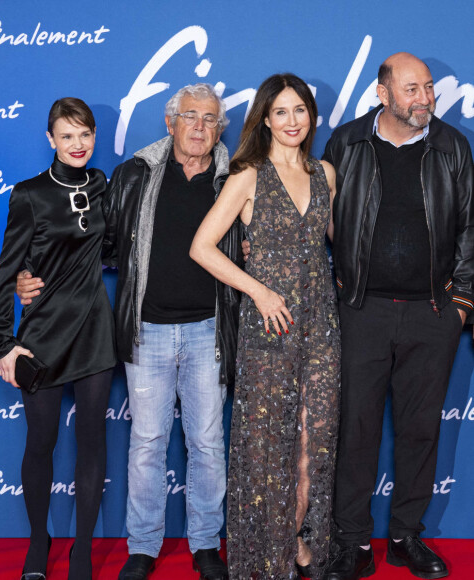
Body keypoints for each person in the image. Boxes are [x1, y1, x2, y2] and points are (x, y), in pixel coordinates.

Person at [17, 83, 243, 580]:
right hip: (148, 330)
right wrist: (25, 274)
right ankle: (142, 546)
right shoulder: (133, 174)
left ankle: (206, 543)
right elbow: (98, 244)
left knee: (206, 441)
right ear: (170, 123)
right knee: (146, 442)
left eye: (210, 119)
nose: (200, 127)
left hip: (209, 329)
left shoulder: (233, 177)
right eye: (190, 116)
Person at [321, 53, 474, 580]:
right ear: (382, 93)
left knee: (420, 430)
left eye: (429, 88)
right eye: (412, 89)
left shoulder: (453, 147)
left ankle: (408, 536)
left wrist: (462, 306)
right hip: (361, 311)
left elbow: (470, 231)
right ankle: (353, 543)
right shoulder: (347, 143)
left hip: (432, 314)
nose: (425, 98)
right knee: (355, 429)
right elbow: (321, 217)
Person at [191, 73, 340, 580]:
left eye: (300, 110)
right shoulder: (249, 175)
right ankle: (266, 560)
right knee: (266, 450)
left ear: (311, 116)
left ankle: (299, 542)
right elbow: (202, 247)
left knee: (311, 445)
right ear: (266, 119)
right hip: (269, 329)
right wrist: (258, 289)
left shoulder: (326, 174)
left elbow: (334, 244)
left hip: (321, 326)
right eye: (281, 112)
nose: (292, 121)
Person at [0, 97, 116, 580]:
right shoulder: (29, 194)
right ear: (50, 140)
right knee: (40, 441)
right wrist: (3, 341)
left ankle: (82, 551)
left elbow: (111, 247)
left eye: (85, 134)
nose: (77, 144)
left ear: (94, 135)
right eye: (67, 136)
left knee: (91, 441)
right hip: (42, 332)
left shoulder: (102, 185)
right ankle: (39, 543)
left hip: (95, 330)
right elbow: (6, 274)